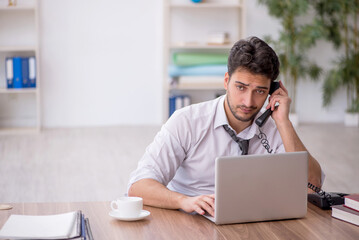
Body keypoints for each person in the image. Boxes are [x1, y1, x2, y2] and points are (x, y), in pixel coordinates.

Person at [127, 36, 323, 217]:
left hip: (251, 222)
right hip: (189, 221)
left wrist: (283, 122)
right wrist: (184, 201)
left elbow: (312, 186)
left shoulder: (274, 128)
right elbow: (138, 186)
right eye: (241, 87)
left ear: (272, 92)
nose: (248, 101)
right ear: (227, 81)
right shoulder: (187, 121)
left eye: (260, 91)